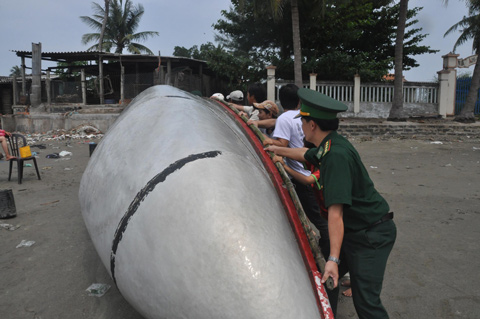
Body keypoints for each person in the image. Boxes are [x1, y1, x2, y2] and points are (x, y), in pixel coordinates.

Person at [265, 88, 396, 319]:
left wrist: (334, 260)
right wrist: (276, 149)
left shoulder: (336, 156)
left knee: (366, 303)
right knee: (325, 280)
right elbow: (307, 154)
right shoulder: (328, 145)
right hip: (356, 231)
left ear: (312, 125)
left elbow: (335, 214)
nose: (301, 127)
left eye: (302, 122)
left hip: (371, 235)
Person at [263, 84, 330, 269]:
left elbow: (284, 143)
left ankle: (329, 257)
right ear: (299, 101)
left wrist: (276, 151)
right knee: (320, 217)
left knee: (320, 221)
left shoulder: (285, 118)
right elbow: (275, 126)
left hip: (304, 178)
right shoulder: (301, 119)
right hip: (309, 173)